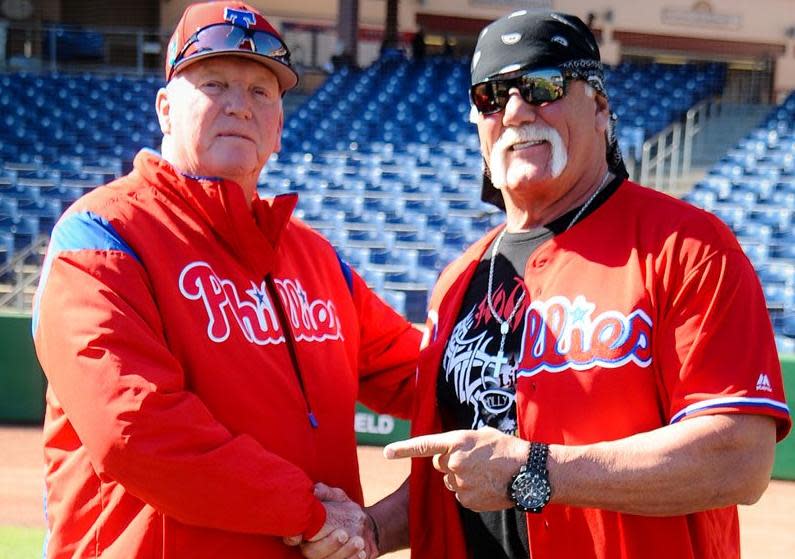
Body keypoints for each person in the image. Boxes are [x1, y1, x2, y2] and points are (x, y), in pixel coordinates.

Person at [292, 9, 792, 559]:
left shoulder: (687, 246)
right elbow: (464, 478)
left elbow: (739, 459)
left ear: (600, 107)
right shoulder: (459, 278)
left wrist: (538, 471)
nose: (515, 110)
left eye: (542, 85)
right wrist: (369, 529)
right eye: (492, 95)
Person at [32, 2, 420, 558]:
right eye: (215, 82)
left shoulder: (315, 258)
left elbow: (425, 373)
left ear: (279, 127)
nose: (240, 105)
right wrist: (308, 513)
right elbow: (135, 430)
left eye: (262, 91)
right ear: (166, 109)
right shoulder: (101, 236)